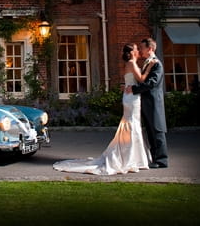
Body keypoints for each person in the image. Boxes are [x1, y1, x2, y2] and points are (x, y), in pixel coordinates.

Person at [53, 43, 154, 175]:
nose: (138, 50)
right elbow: (141, 79)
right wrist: (149, 68)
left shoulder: (132, 64)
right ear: (132, 52)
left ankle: (133, 157)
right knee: (131, 125)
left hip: (132, 96)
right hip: (132, 99)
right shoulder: (131, 63)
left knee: (132, 124)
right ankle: (129, 158)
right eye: (136, 48)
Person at [130, 37, 168, 168]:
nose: (140, 50)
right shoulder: (148, 63)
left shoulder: (156, 63)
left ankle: (162, 160)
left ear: (150, 48)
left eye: (142, 48)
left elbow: (151, 83)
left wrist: (134, 89)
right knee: (151, 132)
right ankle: (155, 159)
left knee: (157, 131)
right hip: (147, 103)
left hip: (154, 103)